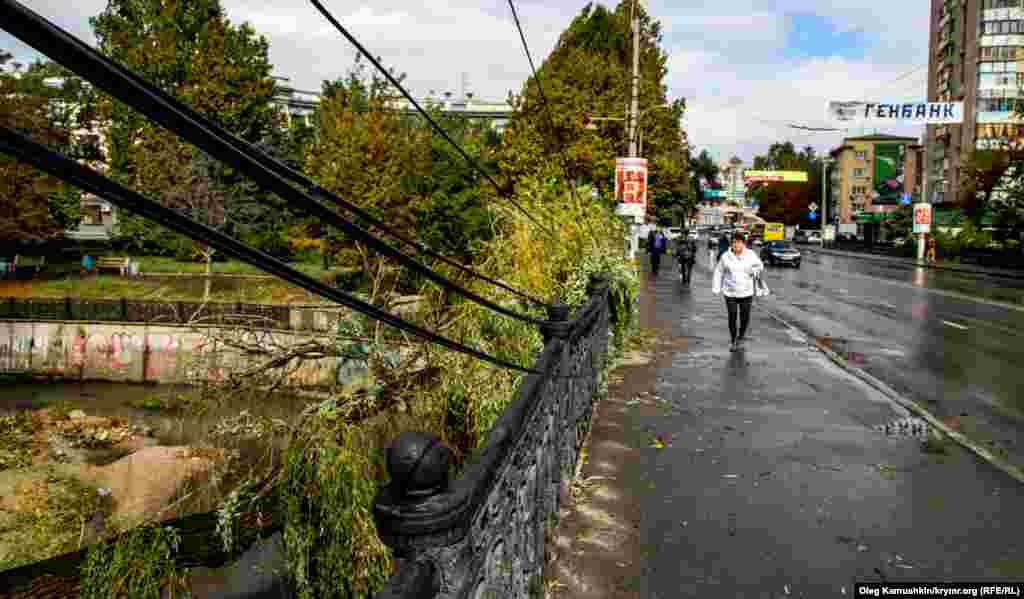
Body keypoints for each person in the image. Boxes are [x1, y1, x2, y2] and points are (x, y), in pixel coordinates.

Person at [712, 233, 764, 352]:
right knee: (732, 316)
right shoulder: (725, 256)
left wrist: (755, 270)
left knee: (745, 317)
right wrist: (716, 287)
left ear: (743, 243)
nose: (736, 244)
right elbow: (719, 271)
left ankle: (741, 337)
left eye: (739, 242)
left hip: (746, 292)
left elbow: (760, 266)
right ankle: (734, 341)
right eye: (734, 242)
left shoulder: (750, 254)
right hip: (730, 293)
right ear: (731, 243)